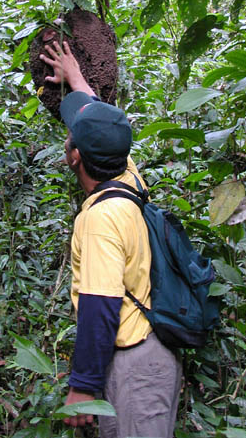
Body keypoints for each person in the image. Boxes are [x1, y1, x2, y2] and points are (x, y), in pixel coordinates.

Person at [40, 41, 182, 438]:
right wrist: (75, 77)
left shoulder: (101, 219)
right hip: (154, 351)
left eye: (71, 138)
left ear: (74, 158)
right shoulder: (128, 177)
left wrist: (82, 387)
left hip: (135, 367)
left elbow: (100, 305)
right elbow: (103, 122)